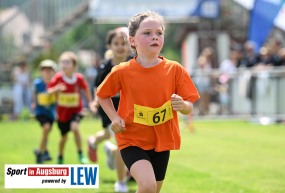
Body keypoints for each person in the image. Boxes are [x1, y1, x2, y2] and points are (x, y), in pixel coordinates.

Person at [96, 11, 200, 193]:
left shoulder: (175, 70)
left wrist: (182, 105)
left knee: (151, 191)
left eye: (159, 33)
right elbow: (102, 94)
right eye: (147, 33)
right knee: (148, 186)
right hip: (131, 139)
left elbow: (189, 105)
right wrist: (114, 117)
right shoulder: (122, 71)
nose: (154, 37)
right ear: (133, 41)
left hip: (161, 141)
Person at [88, 28, 131, 192]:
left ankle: (111, 151)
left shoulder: (135, 63)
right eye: (116, 44)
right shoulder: (105, 68)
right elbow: (97, 89)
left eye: (123, 43)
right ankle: (121, 183)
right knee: (122, 144)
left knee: (128, 145)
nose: (120, 47)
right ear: (109, 46)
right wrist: (94, 103)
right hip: (110, 110)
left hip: (130, 109)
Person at [47, 51, 93, 164]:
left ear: (74, 66)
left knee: (75, 127)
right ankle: (60, 156)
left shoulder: (78, 78)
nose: (64, 64)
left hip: (76, 111)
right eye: (62, 62)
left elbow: (86, 89)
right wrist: (56, 89)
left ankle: (81, 154)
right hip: (62, 113)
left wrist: (90, 102)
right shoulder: (58, 78)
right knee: (64, 137)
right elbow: (49, 91)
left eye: (67, 62)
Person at [32, 59, 57, 164]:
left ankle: (40, 150)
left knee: (46, 132)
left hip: (51, 114)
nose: (47, 72)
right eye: (44, 70)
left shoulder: (56, 83)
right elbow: (35, 95)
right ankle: (41, 154)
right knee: (46, 128)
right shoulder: (38, 83)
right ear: (41, 72)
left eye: (49, 70)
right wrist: (33, 103)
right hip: (40, 112)